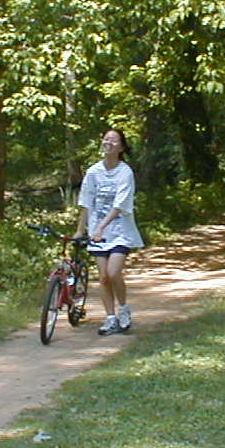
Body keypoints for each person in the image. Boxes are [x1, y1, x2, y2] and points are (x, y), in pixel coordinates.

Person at [74, 129, 144, 336]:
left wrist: (100, 227)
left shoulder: (125, 172)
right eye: (106, 139)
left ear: (121, 147)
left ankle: (123, 309)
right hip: (97, 234)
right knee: (103, 277)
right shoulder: (93, 172)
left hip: (120, 231)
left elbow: (120, 205)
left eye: (113, 140)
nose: (108, 143)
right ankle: (110, 318)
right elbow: (86, 203)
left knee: (113, 273)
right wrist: (80, 230)